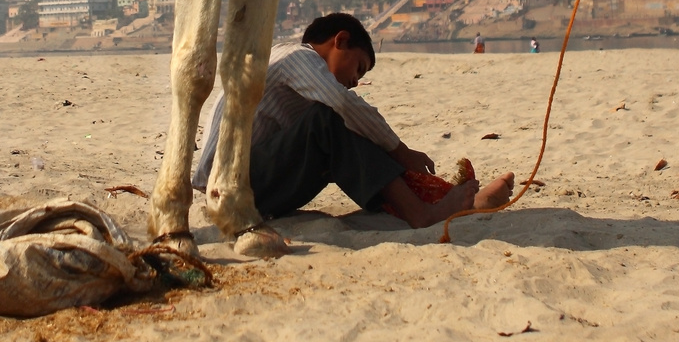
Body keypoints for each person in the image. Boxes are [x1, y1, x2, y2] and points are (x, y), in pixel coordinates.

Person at [192, 13, 514, 230]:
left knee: (342, 127)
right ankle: (422, 212)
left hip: (251, 185)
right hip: (229, 186)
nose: (356, 81)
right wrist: (401, 151)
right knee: (331, 119)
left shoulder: (306, 85)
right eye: (358, 68)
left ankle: (438, 199)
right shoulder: (296, 57)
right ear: (340, 41)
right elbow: (344, 104)